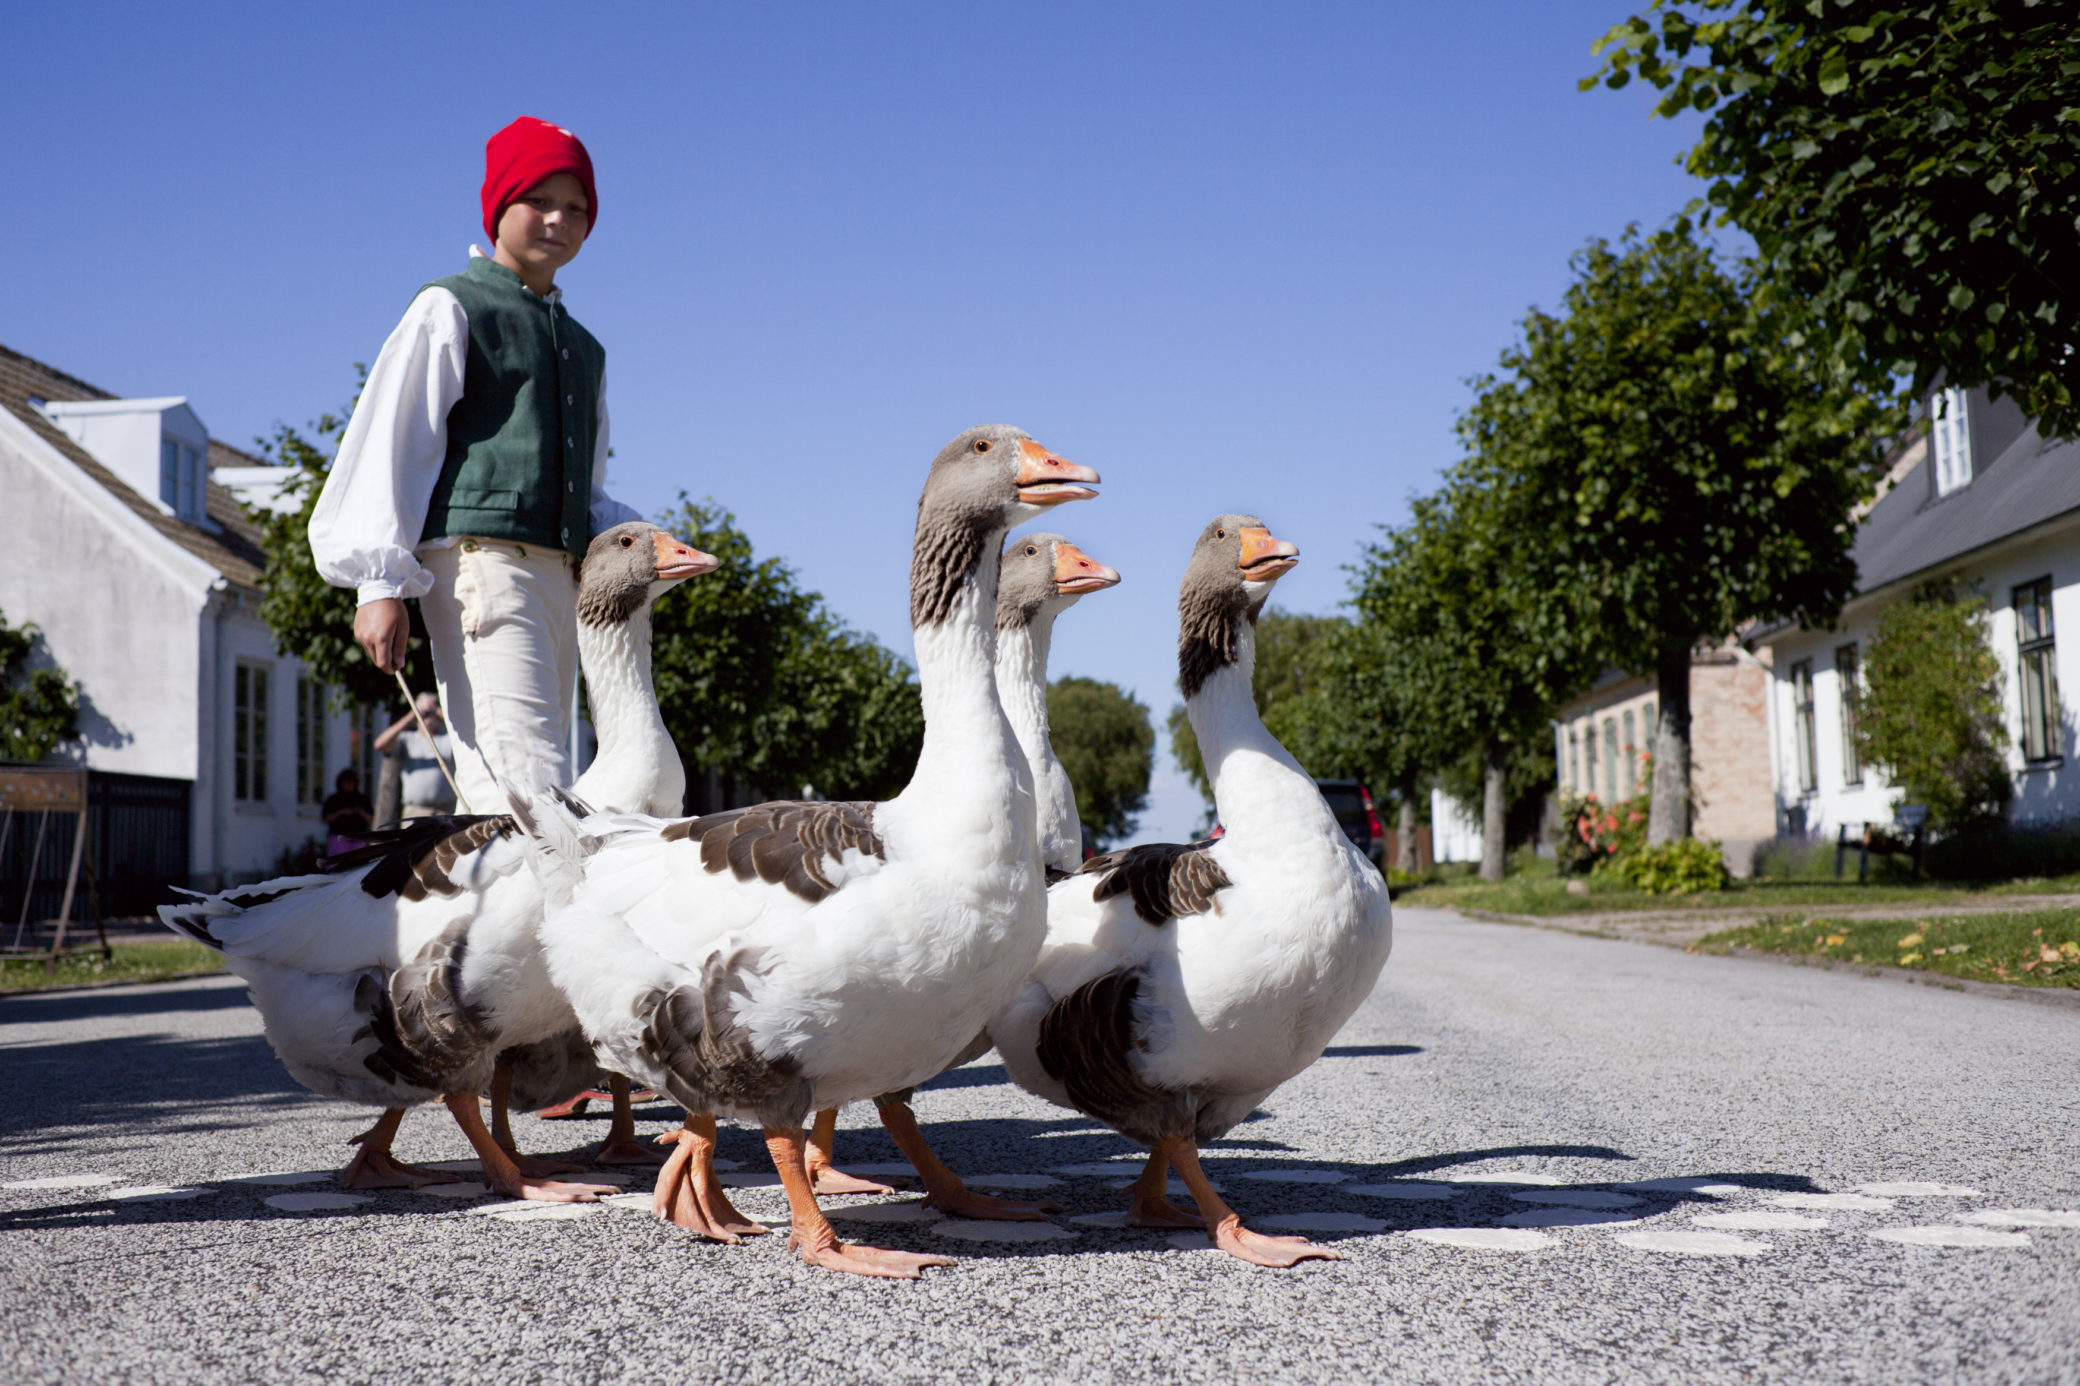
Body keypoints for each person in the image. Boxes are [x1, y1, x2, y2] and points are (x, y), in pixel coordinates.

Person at [308, 115, 640, 810]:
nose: (558, 219)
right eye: (538, 201)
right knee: (528, 787)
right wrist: (378, 585)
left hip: (559, 579)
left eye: (576, 207)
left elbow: (589, 485)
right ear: (499, 207)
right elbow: (394, 442)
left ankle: (477, 919)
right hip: (481, 567)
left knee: (529, 785)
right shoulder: (450, 306)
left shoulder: (586, 347)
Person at [374, 694, 457, 820]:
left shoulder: (448, 739)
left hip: (445, 811)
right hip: (416, 811)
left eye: (431, 711)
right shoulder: (407, 739)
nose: (428, 716)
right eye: (424, 712)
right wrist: (411, 716)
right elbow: (380, 745)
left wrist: (442, 715)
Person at [319, 768, 373, 857]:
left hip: (358, 839)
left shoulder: (362, 799)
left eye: (351, 782)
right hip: (339, 839)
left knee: (358, 866)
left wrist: (359, 811)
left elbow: (369, 817)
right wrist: (340, 812)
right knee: (338, 866)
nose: (348, 785)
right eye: (346, 782)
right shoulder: (334, 799)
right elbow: (325, 818)